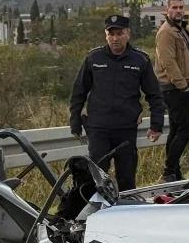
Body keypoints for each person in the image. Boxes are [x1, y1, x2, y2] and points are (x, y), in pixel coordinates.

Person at [69, 14, 164, 190]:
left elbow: (154, 94)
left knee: (126, 179)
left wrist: (157, 124)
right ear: (106, 35)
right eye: (111, 34)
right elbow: (79, 91)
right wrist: (74, 119)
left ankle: (126, 214)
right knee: (96, 180)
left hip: (125, 131)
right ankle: (97, 215)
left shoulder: (140, 60)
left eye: (119, 34)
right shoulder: (93, 58)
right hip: (98, 129)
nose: (115, 38)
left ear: (128, 34)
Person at [154, 0, 189, 182]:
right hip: (176, 89)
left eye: (181, 7)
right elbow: (168, 62)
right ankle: (168, 171)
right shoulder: (167, 32)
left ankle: (174, 172)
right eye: (174, 7)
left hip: (181, 88)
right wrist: (184, 87)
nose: (179, 10)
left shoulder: (180, 30)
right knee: (186, 130)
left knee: (175, 130)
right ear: (167, 10)